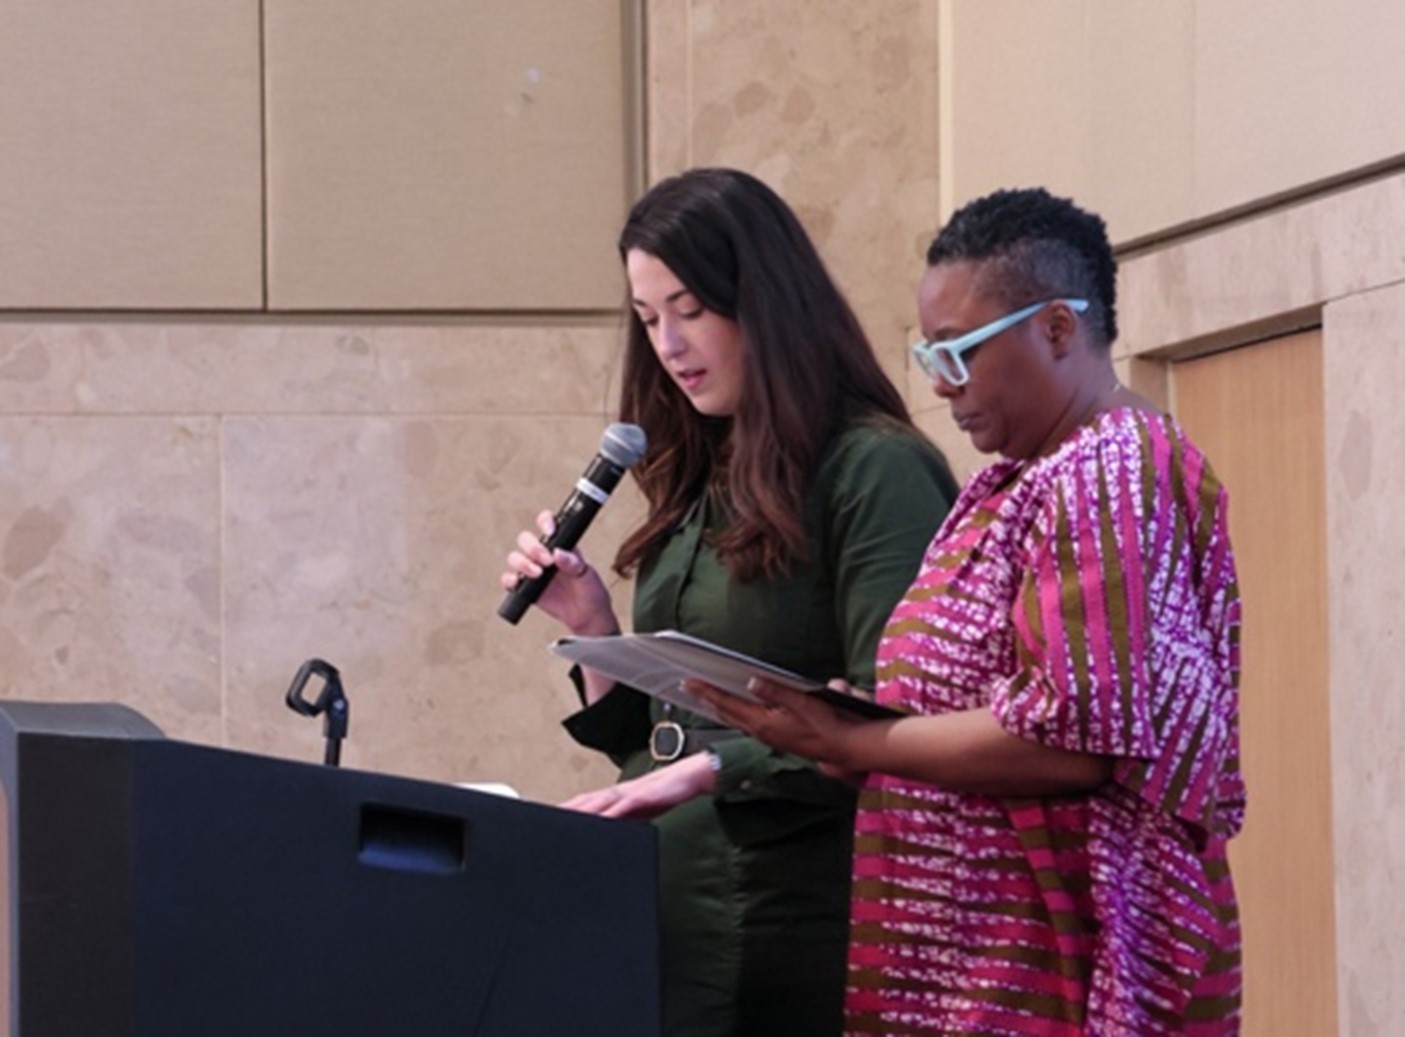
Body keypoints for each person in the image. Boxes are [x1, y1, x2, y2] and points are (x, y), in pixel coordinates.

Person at [699, 187, 1245, 1035]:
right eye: (929, 354)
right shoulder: (1026, 472)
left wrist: (854, 741)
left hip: (1054, 967)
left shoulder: (1107, 469)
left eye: (959, 351)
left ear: (1056, 329)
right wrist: (869, 727)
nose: (940, 382)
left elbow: (1075, 741)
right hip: (985, 960)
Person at [501, 168, 959, 1036]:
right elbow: (651, 742)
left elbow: (902, 719)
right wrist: (591, 624)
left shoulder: (873, 468)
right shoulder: (701, 472)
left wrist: (713, 768)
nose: (669, 345)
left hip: (792, 918)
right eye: (648, 319)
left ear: (765, 302)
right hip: (666, 905)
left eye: (690, 309)